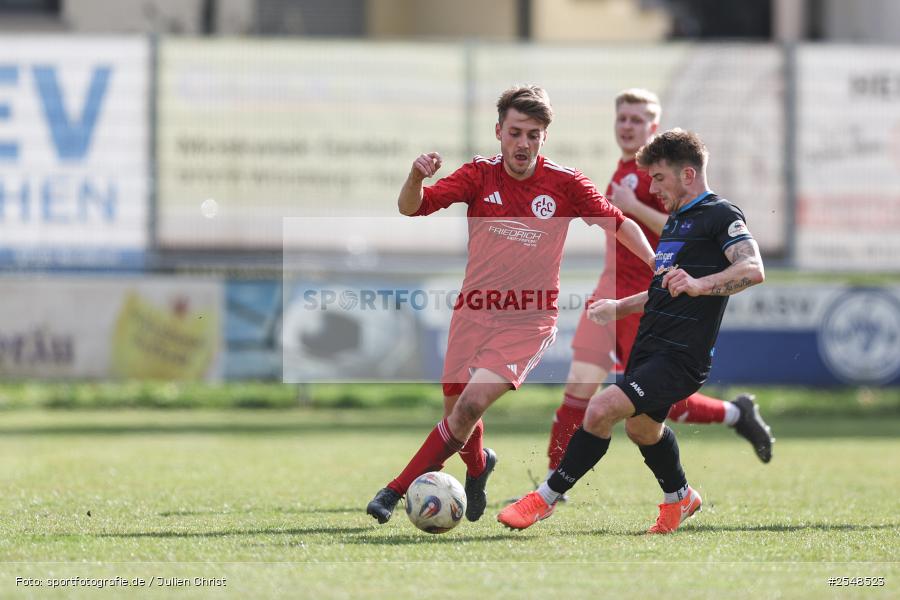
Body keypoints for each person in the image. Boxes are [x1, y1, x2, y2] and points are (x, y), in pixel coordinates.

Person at [366, 85, 656, 525]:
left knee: (468, 408)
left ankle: (394, 490)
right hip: (473, 312)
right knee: (457, 418)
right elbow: (412, 208)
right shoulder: (479, 175)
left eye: (534, 134)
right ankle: (480, 467)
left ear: (544, 137)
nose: (524, 143)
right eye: (516, 132)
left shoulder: (566, 183)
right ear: (499, 131)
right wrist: (414, 177)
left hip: (529, 319)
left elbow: (620, 226)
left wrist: (658, 266)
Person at [498, 128, 766, 534]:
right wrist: (618, 308)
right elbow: (664, 287)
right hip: (649, 346)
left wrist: (700, 285)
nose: (653, 188)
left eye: (659, 178)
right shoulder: (677, 219)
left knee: (601, 409)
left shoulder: (721, 215)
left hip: (681, 355)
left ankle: (544, 498)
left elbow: (752, 269)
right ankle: (680, 498)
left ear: (688, 174)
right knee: (643, 430)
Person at [544, 90, 773, 494]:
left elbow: (681, 237)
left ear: (653, 128)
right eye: (623, 118)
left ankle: (735, 414)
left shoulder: (669, 181)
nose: (628, 126)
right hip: (613, 289)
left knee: (646, 400)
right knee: (579, 386)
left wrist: (632, 205)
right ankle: (552, 482)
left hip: (651, 291)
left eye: (637, 120)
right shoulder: (623, 170)